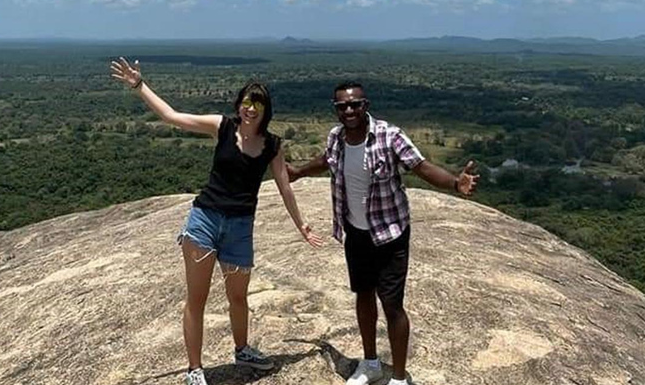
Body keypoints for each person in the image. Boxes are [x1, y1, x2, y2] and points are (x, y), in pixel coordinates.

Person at [110, 57, 323, 385]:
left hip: (239, 228)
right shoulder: (222, 126)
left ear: (266, 110)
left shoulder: (272, 146)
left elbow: (284, 188)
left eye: (258, 103)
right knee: (198, 298)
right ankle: (195, 370)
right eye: (246, 102)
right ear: (239, 104)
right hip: (204, 221)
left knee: (238, 297)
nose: (250, 108)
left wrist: (301, 225)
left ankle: (242, 349)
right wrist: (139, 86)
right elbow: (172, 117)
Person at [287, 81, 479, 385]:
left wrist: (456, 183)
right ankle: (371, 363)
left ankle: (400, 378)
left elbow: (421, 166)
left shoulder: (389, 136)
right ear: (336, 110)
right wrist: (297, 172)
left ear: (366, 105)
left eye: (355, 104)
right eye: (342, 106)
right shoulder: (336, 138)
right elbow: (325, 161)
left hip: (390, 234)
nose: (349, 110)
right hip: (356, 232)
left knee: (392, 305)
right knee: (363, 296)